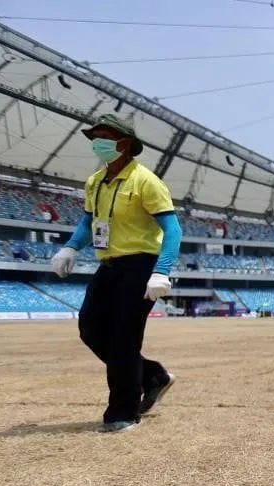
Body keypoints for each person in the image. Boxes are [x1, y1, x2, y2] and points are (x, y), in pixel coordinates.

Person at [50, 114, 182, 433]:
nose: (97, 143)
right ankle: (152, 376)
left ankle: (122, 413)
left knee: (124, 339)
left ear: (123, 144)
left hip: (141, 264)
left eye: (104, 137)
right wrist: (70, 247)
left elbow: (173, 229)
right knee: (91, 328)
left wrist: (161, 271)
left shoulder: (145, 181)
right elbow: (87, 222)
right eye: (94, 137)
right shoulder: (95, 181)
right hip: (108, 264)